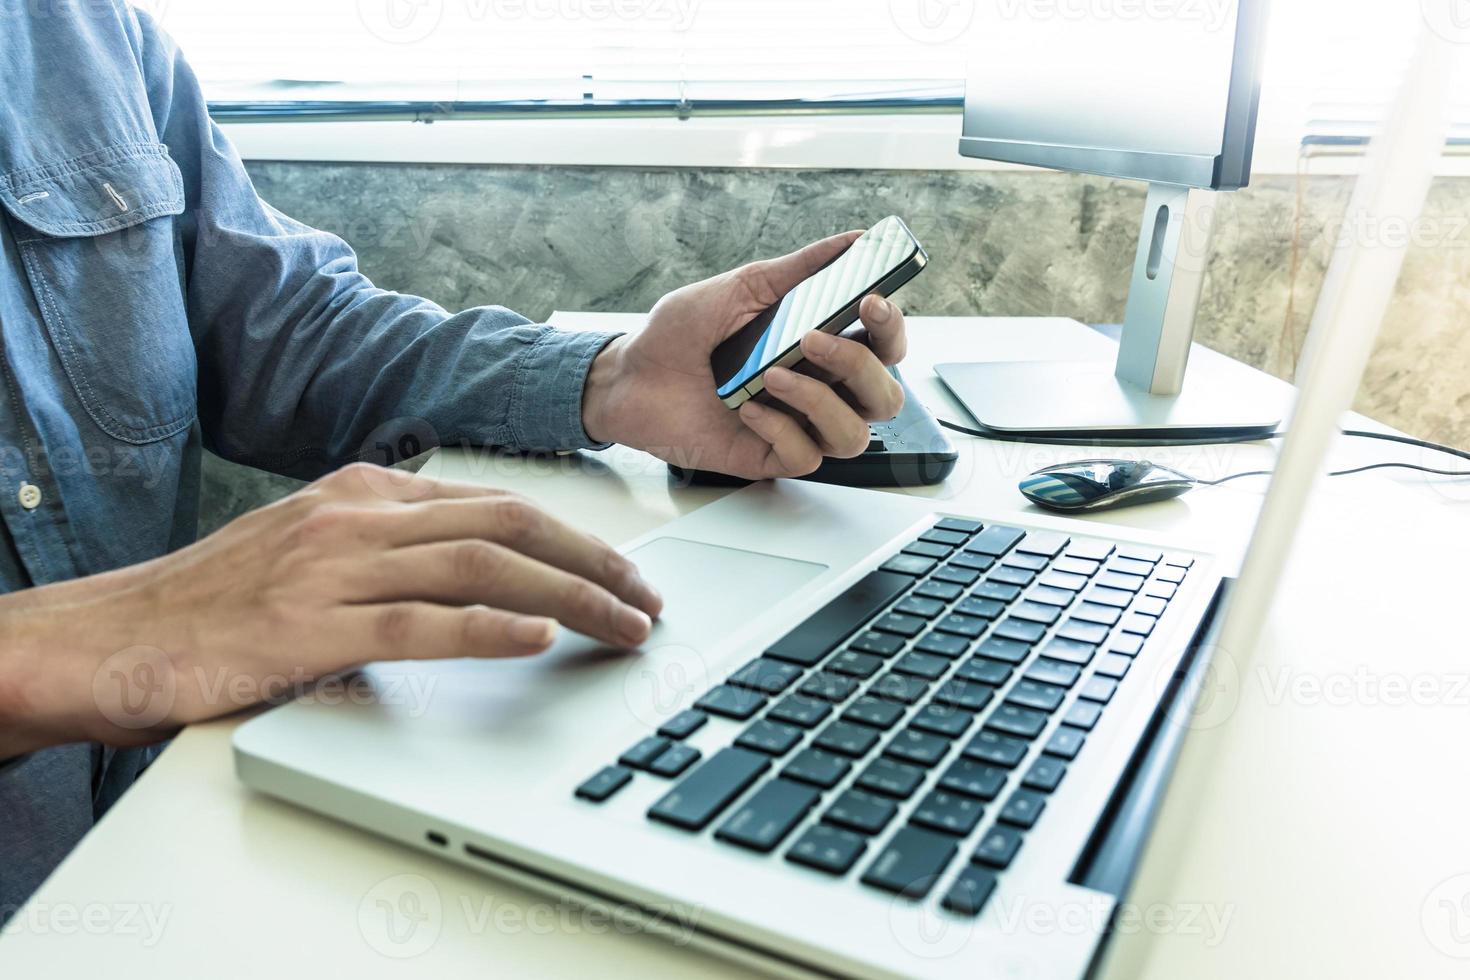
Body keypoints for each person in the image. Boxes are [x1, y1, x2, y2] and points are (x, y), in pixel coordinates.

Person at [0, 2, 909, 915]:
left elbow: (284, 331)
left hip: (145, 840)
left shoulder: (83, 30)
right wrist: (69, 640)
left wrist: (610, 379)